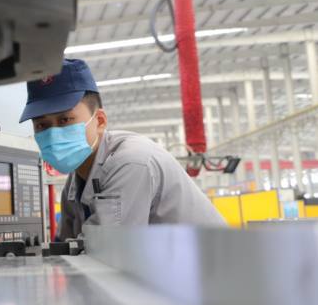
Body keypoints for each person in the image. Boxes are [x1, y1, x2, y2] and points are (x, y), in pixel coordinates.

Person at [20, 59, 227, 240]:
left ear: (100, 121)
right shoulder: (75, 183)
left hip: (212, 270)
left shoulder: (130, 162)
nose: (53, 133)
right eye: (42, 125)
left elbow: (105, 251)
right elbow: (64, 246)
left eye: (66, 119)